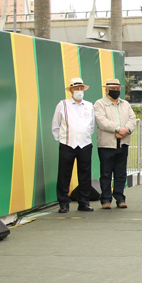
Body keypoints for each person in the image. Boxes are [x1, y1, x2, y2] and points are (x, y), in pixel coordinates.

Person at [51, 78, 96, 213]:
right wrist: (63, 139)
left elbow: (92, 125)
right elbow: (56, 125)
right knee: (64, 174)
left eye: (81, 88)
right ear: (71, 90)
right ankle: (63, 203)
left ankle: (84, 202)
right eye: (76, 88)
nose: (79, 91)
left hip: (85, 144)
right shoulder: (62, 104)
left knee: (85, 174)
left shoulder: (89, 105)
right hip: (67, 144)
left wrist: (85, 136)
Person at [93, 78, 137, 209]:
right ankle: (105, 199)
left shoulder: (125, 104)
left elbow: (132, 119)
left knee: (120, 173)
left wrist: (126, 130)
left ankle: (120, 198)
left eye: (118, 89)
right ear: (106, 90)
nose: (116, 92)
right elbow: (102, 121)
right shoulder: (99, 104)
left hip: (123, 143)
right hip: (107, 144)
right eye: (113, 90)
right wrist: (118, 128)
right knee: (106, 174)